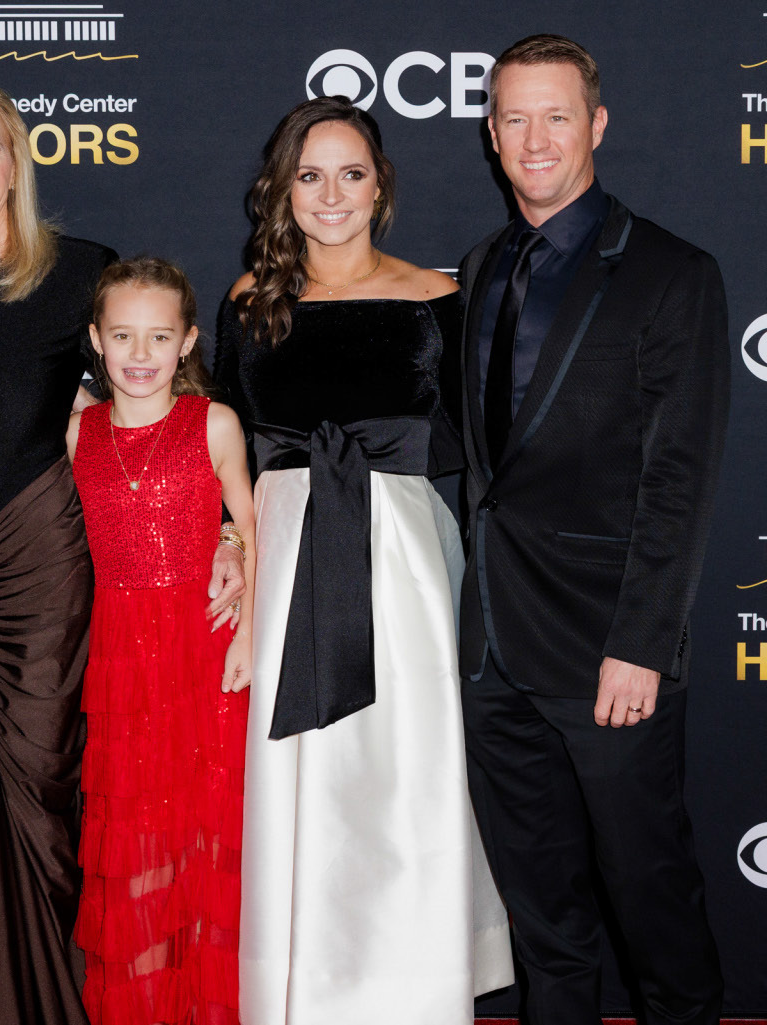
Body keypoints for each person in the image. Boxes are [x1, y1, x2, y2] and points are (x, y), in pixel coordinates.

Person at [0, 72, 244, 1025]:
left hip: (39, 556)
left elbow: (162, 410)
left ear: (17, 165)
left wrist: (229, 532)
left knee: (42, 782)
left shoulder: (79, 271)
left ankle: (71, 1004)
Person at [215, 96, 513, 1024]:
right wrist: (232, 541)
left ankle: (415, 989)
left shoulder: (437, 298)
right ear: (282, 189)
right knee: (299, 771)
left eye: (351, 173)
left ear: (380, 185)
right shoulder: (248, 303)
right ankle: (299, 989)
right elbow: (226, 449)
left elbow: (485, 447)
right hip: (284, 562)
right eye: (309, 176)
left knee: (400, 771)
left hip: (403, 563)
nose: (331, 195)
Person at [457, 34, 728, 1025]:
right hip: (493, 651)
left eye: (556, 116)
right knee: (546, 929)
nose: (535, 140)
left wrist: (641, 644)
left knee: (653, 909)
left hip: (608, 652)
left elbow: (678, 476)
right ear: (490, 135)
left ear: (596, 125)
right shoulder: (482, 265)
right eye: (514, 118)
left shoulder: (670, 272)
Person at [68, 257, 253, 1025]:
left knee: (208, 837)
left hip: (206, 648)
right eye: (122, 336)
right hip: (120, 656)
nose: (140, 354)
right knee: (137, 841)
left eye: (158, 336)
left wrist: (247, 620)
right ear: (96, 339)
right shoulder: (77, 430)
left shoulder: (213, 422)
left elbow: (250, 523)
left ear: (187, 341)